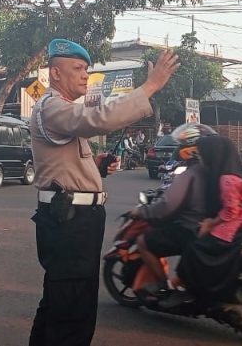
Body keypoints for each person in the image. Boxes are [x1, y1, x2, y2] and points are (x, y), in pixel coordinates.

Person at [28, 38, 179, 346]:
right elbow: (97, 120)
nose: (85, 74)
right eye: (77, 68)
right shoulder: (53, 106)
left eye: (86, 68)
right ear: (55, 74)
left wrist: (95, 166)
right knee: (73, 311)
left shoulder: (62, 109)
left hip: (74, 219)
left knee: (60, 304)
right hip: (69, 221)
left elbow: (65, 164)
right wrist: (150, 87)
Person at [176, 135, 242, 306]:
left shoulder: (226, 179)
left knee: (194, 247)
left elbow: (229, 212)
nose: (201, 158)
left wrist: (210, 223)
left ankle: (196, 289)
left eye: (203, 154)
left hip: (235, 230)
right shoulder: (238, 173)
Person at [130, 123, 216, 301]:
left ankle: (163, 286)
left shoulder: (191, 174)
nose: (179, 149)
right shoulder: (211, 171)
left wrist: (143, 211)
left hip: (190, 228)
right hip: (207, 227)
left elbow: (167, 206)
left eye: (182, 145)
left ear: (190, 149)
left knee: (143, 241)